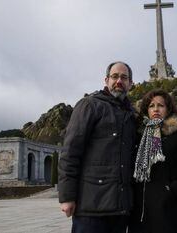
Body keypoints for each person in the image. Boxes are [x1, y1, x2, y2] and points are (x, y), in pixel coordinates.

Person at [58, 61, 137, 233]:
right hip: (91, 208)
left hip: (120, 209)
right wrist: (67, 197)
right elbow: (70, 151)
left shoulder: (131, 115)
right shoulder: (90, 105)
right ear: (106, 80)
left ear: (130, 83)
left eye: (124, 77)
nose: (119, 81)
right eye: (115, 76)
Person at [128, 89, 177, 233]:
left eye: (160, 105)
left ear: (168, 109)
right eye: (151, 106)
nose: (155, 109)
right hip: (143, 209)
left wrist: (173, 189)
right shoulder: (138, 135)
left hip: (172, 207)